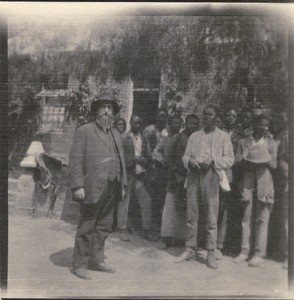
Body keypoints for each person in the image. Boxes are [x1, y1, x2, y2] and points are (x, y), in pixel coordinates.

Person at [68, 92, 127, 280]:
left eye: (110, 109)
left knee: (104, 226)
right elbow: (75, 160)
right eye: (103, 108)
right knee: (87, 226)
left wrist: (122, 183)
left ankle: (97, 260)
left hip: (112, 186)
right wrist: (78, 186)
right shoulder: (84, 130)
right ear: (96, 111)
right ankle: (80, 264)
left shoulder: (116, 134)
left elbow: (121, 160)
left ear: (114, 113)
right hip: (91, 187)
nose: (107, 112)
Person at [176, 105, 234, 269]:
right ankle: (189, 249)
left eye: (210, 115)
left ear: (216, 117)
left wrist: (214, 161)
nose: (206, 117)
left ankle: (210, 252)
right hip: (194, 175)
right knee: (191, 213)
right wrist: (190, 162)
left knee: (211, 215)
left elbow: (230, 159)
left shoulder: (223, 137)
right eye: (205, 114)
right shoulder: (195, 136)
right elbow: (185, 156)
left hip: (212, 177)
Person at [234, 114, 277, 267]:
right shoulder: (243, 142)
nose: (265, 128)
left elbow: (274, 164)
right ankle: (244, 251)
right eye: (262, 124)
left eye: (267, 125)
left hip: (265, 183)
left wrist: (263, 158)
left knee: (262, 220)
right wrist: (248, 158)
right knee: (246, 219)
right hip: (247, 184)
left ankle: (259, 254)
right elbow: (236, 163)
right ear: (254, 125)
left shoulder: (272, 143)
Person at [118, 114, 153, 241]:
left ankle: (146, 230)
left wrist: (143, 160)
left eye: (139, 123)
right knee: (125, 201)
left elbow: (149, 157)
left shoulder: (143, 138)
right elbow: (119, 157)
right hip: (128, 174)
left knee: (146, 201)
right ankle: (122, 229)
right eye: (134, 122)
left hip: (140, 175)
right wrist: (134, 159)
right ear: (130, 123)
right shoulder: (123, 138)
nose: (137, 125)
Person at [160, 115, 189, 249]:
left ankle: (180, 238)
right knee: (170, 208)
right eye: (174, 123)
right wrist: (175, 173)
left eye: (179, 123)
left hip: (187, 178)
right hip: (174, 179)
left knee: (183, 209)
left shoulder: (191, 138)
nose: (177, 125)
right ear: (170, 125)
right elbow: (167, 160)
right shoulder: (171, 139)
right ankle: (166, 238)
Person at [143, 107, 169, 240]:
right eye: (160, 116)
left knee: (161, 198)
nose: (162, 119)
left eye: (164, 116)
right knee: (150, 197)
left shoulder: (168, 131)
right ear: (156, 117)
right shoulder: (149, 130)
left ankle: (159, 228)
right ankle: (149, 228)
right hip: (151, 167)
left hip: (163, 170)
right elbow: (145, 147)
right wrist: (151, 160)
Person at [269, 112, 289, 269]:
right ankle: (280, 251)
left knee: (285, 219)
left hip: (285, 181)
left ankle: (288, 255)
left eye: (279, 120)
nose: (275, 122)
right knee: (278, 217)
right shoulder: (273, 137)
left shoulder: (286, 137)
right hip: (274, 181)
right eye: (274, 120)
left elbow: (283, 161)